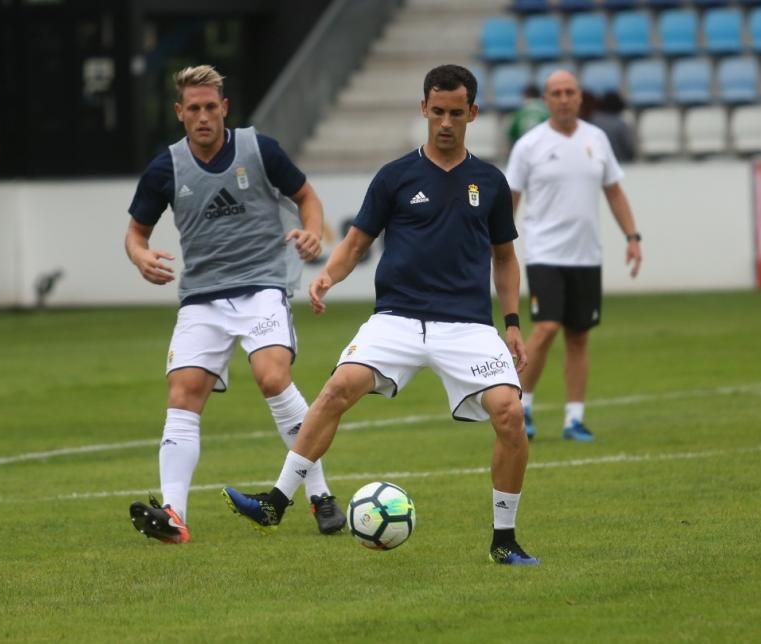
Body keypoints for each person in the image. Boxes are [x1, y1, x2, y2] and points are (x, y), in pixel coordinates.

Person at [222, 64, 539, 566]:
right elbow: (355, 242)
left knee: (509, 415)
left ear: (472, 113)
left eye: (457, 113)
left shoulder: (490, 182)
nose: (446, 123)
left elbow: (504, 256)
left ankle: (505, 539)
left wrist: (514, 323)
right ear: (424, 109)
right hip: (396, 318)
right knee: (337, 387)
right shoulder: (395, 176)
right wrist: (329, 275)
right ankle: (275, 502)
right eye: (437, 112)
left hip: (468, 326)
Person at [124, 64, 346, 544]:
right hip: (202, 297)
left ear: (224, 108)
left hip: (262, 285)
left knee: (272, 377)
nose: (203, 117)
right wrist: (141, 256)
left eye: (211, 107)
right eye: (194, 109)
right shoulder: (166, 167)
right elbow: (135, 233)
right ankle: (175, 517)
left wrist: (311, 230)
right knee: (183, 393)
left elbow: (306, 196)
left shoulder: (259, 149)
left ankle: (320, 495)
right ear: (179, 113)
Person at [505, 70, 642, 442]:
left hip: (586, 255)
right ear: (546, 100)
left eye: (570, 92)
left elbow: (614, 191)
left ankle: (574, 419)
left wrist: (632, 236)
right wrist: (500, 247)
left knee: (579, 336)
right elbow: (510, 202)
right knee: (546, 328)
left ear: (580, 97)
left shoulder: (596, 139)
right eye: (556, 93)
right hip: (545, 253)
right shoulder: (529, 145)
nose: (564, 98)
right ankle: (522, 407)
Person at [590, 91, 635, 163]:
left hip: (598, 163)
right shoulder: (621, 124)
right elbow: (629, 148)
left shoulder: (593, 121)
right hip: (620, 162)